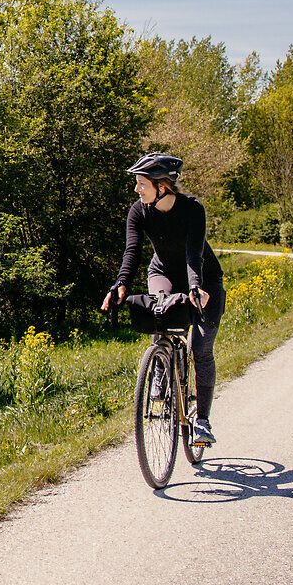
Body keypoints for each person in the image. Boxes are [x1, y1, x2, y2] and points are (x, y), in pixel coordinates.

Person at [100, 152, 225, 446]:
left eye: (141, 183)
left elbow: (194, 254)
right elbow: (131, 252)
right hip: (163, 273)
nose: (136, 189)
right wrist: (120, 283)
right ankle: (161, 363)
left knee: (201, 347)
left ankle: (202, 422)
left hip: (204, 280)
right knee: (160, 311)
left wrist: (195, 287)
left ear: (162, 186)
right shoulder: (139, 211)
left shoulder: (193, 209)